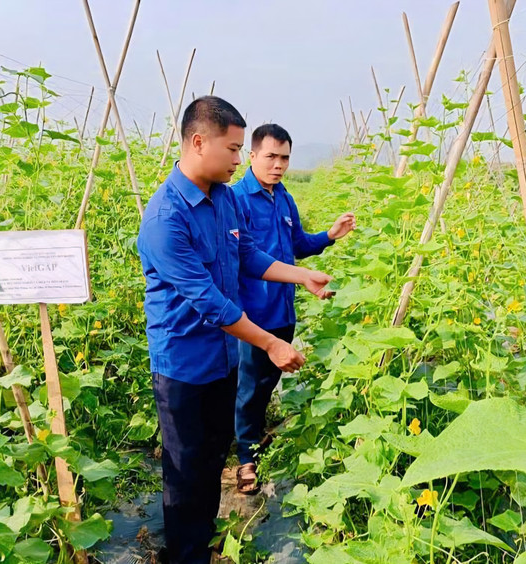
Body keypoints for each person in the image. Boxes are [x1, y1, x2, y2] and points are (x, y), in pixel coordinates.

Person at [136, 98, 334, 564]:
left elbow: (246, 257)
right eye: (233, 148)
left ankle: (201, 540)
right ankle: (187, 554)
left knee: (210, 458)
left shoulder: (222, 199)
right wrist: (269, 342)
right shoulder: (166, 218)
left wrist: (299, 274)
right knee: (184, 471)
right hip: (184, 366)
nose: (238, 159)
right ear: (198, 141)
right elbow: (209, 301)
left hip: (224, 358)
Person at [232, 123, 356, 494]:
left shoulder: (284, 197)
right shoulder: (237, 200)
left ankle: (250, 434)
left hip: (284, 310)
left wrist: (329, 236)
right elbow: (243, 258)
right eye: (271, 156)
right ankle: (245, 459)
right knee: (249, 388)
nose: (279, 164)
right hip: (253, 315)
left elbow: (298, 244)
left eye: (285, 157)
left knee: (267, 384)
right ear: (252, 156)